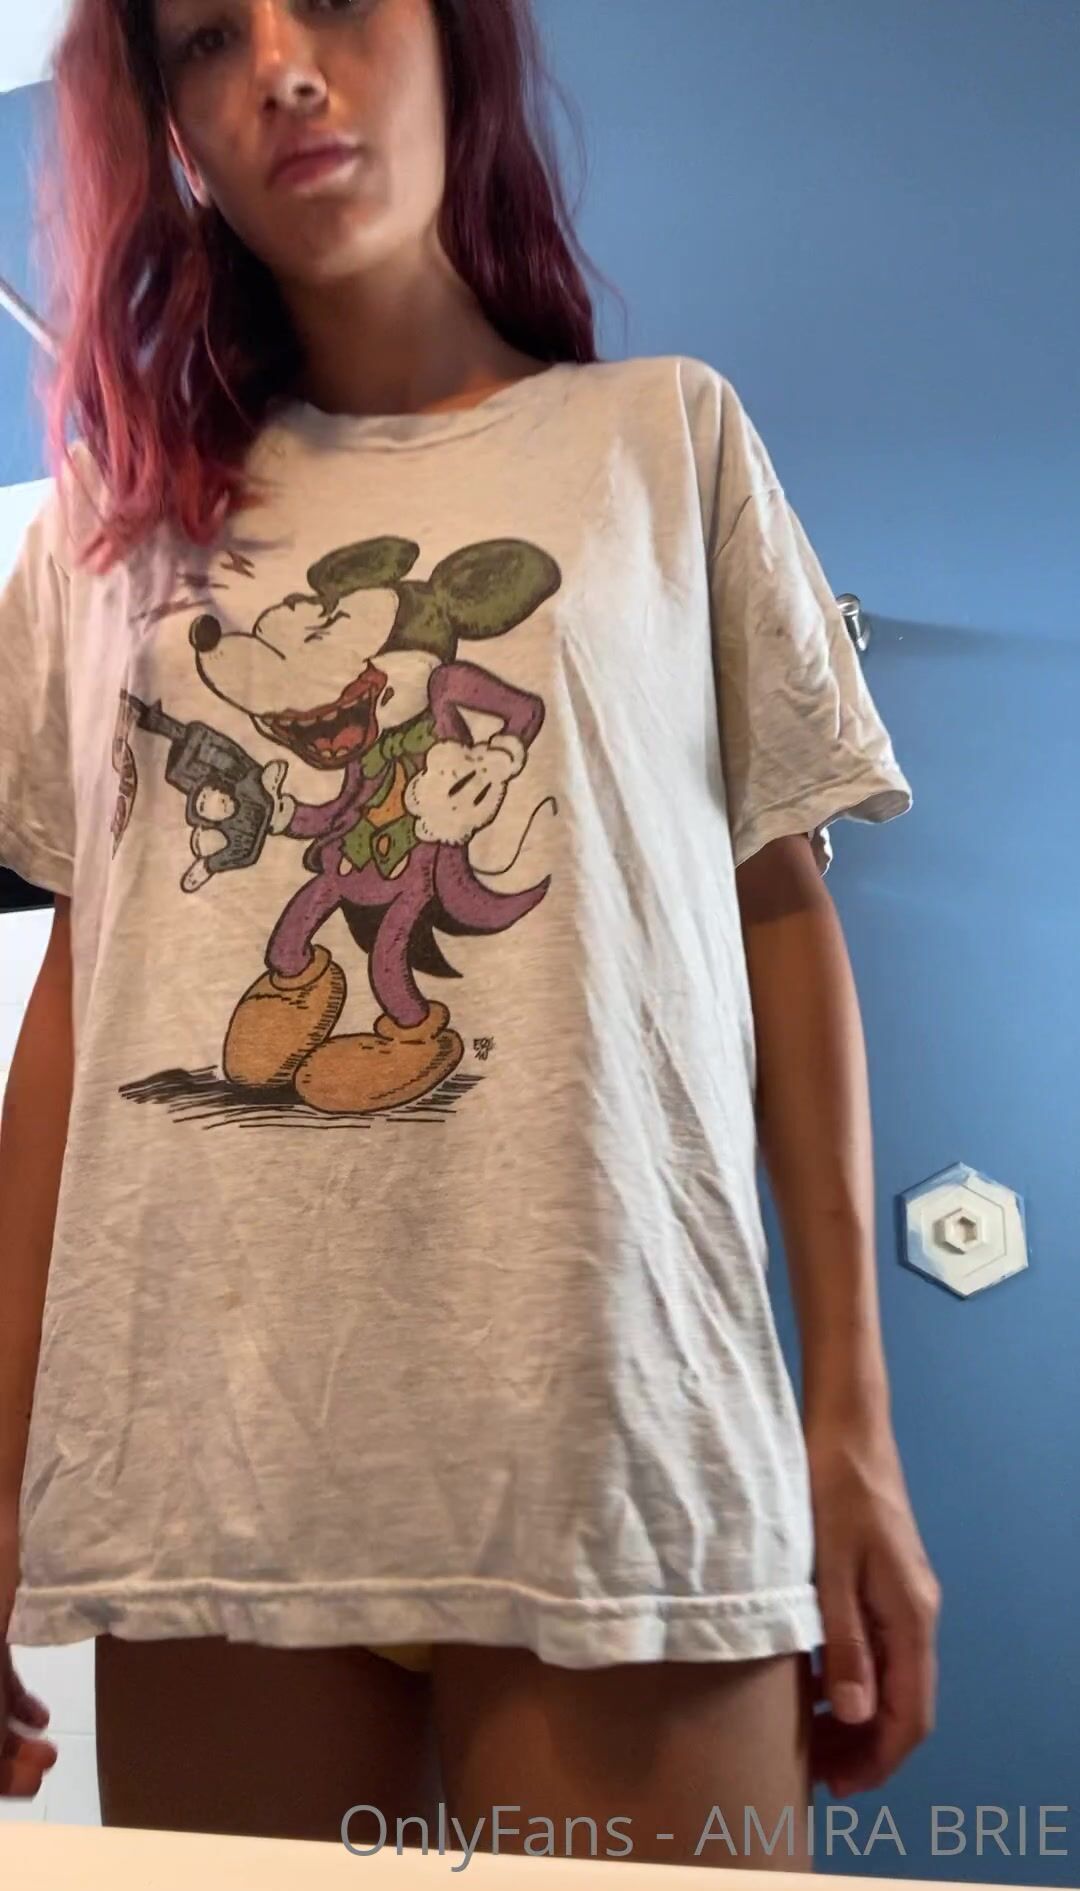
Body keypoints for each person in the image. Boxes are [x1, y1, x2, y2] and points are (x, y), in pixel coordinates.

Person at [0, 0, 941, 1863]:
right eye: (203, 39)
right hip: (210, 1457)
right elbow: (87, 1000)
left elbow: (778, 916)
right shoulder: (110, 526)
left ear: (461, 43)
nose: (282, 67)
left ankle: (388, 1017)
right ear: (164, 120)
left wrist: (852, 1427)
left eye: (340, 1)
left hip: (620, 1430)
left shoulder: (662, 439)